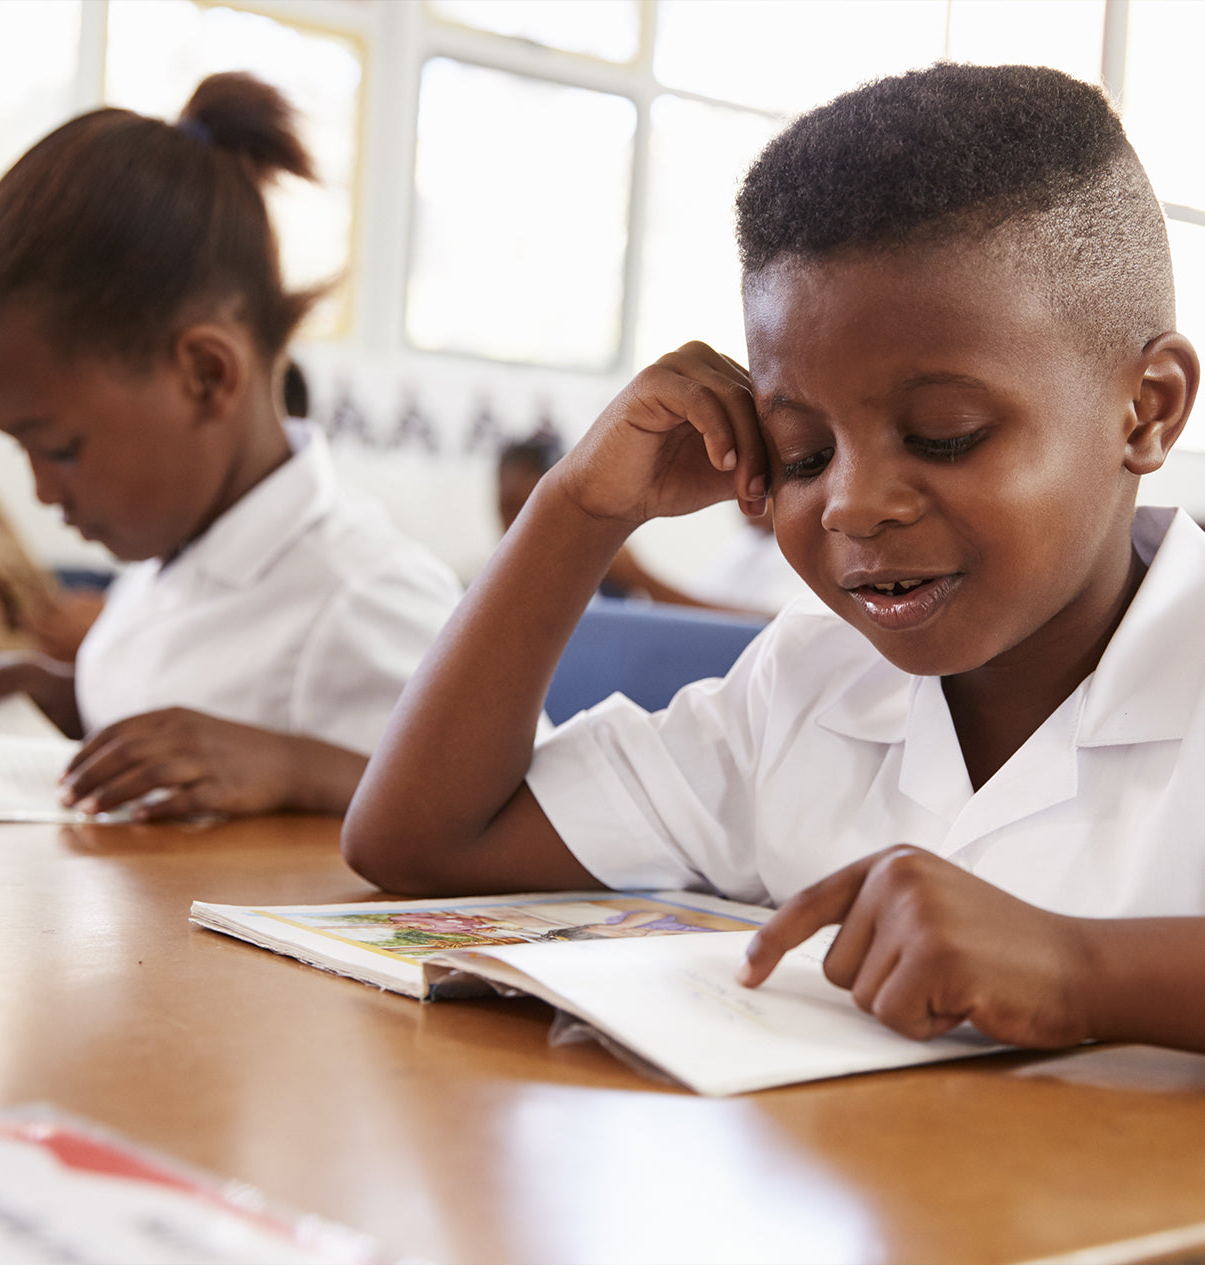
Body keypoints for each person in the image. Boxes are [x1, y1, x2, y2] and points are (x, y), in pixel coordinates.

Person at [342, 63, 1205, 1057]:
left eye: (943, 433)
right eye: (801, 451)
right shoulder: (799, 691)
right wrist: (578, 508)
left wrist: (1077, 970)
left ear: (1143, 408)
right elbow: (415, 840)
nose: (851, 501)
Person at [0, 73, 461, 820]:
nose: (43, 492)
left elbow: (514, 813)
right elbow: (185, 723)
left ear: (205, 375)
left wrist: (298, 769)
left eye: (57, 448)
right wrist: (57, 697)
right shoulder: (169, 557)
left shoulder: (362, 593)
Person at [498, 432, 800, 615]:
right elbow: (683, 620)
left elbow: (767, 632)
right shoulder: (743, 547)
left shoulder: (796, 559)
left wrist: (640, 577)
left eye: (761, 474)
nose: (744, 490)